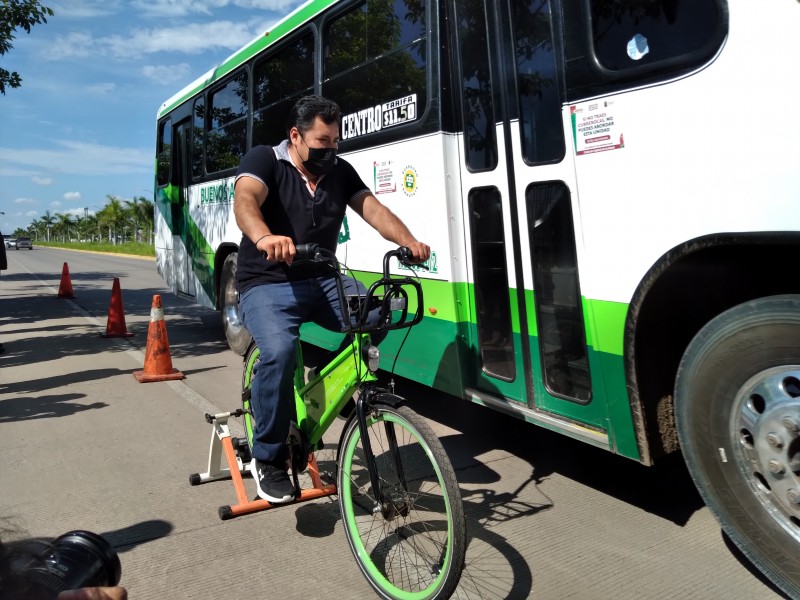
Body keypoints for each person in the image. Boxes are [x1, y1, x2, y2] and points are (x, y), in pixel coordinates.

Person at [233, 95, 430, 504]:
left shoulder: (340, 171)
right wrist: (265, 237)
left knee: (389, 308)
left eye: (336, 142)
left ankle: (336, 385)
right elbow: (246, 201)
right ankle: (267, 458)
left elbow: (373, 209)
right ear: (296, 136)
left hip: (323, 278)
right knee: (282, 350)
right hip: (267, 282)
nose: (331, 150)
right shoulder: (265, 160)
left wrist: (408, 240)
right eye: (322, 142)